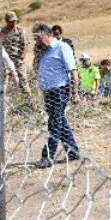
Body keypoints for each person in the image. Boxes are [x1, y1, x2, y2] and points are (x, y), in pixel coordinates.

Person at [31, 23, 80, 167]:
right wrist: (37, 53)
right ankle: (73, 152)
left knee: (54, 123)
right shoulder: (43, 51)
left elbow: (73, 71)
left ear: (48, 34)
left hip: (59, 90)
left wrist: (75, 93)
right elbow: (36, 67)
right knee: (60, 121)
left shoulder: (62, 47)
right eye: (35, 39)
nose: (36, 42)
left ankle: (47, 157)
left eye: (38, 38)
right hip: (48, 91)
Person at [1, 11, 27, 83]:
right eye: (11, 21)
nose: (13, 23)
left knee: (23, 81)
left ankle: (28, 94)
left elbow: (25, 45)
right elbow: (0, 45)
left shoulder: (21, 31)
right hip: (7, 60)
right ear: (7, 21)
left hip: (18, 60)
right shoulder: (3, 31)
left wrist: (21, 58)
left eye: (15, 21)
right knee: (4, 82)